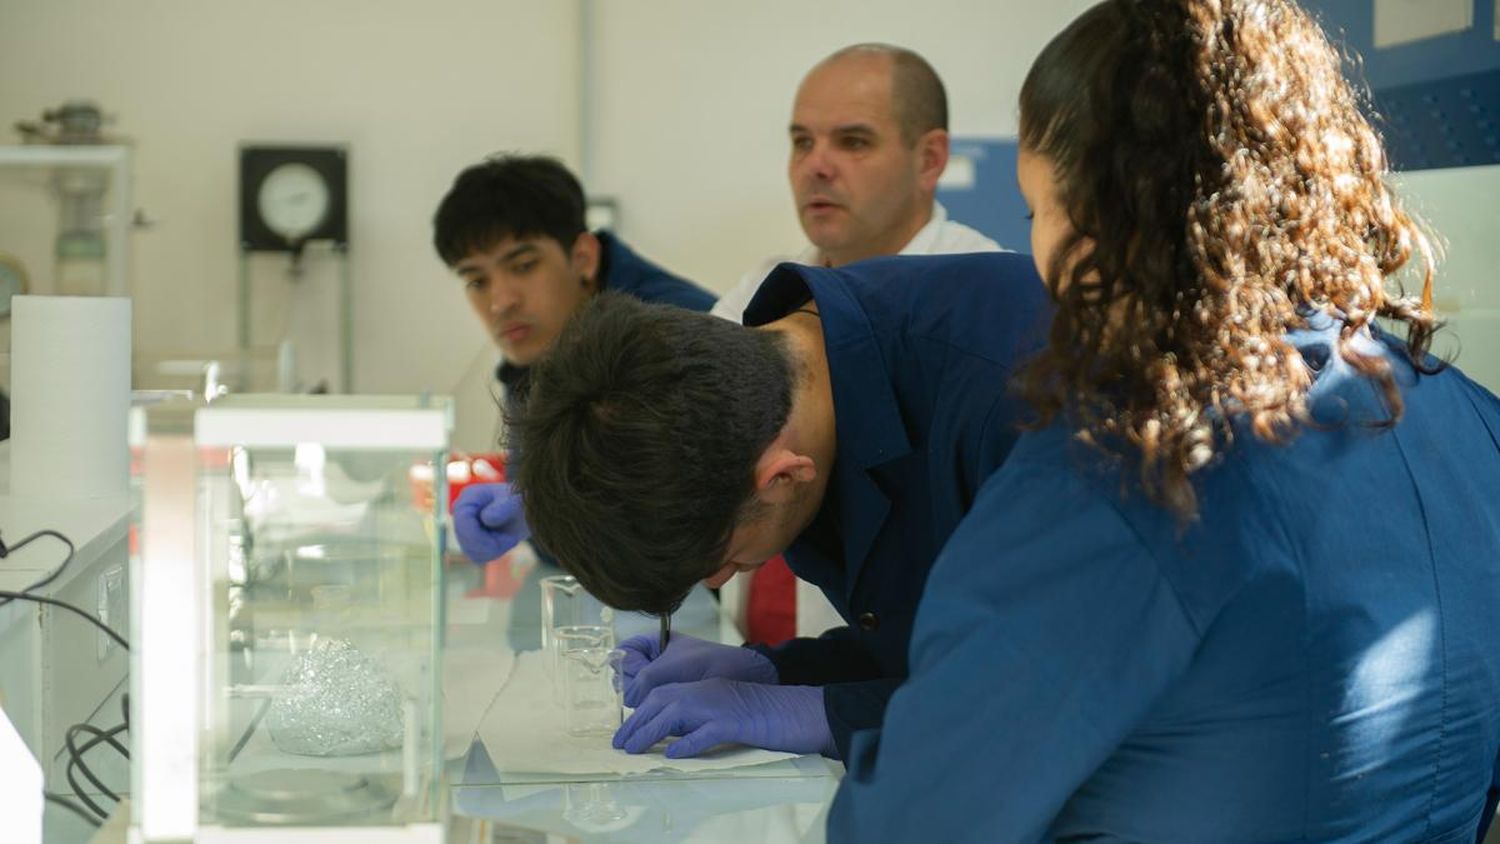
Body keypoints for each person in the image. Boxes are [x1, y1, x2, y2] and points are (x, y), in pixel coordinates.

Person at [826, 0, 1500, 840]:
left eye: (1037, 208)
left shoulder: (1126, 472)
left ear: (1102, 215)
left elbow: (912, 823)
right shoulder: (1470, 422)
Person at [510, 251, 1051, 760]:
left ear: (782, 476)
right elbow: (929, 647)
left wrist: (827, 714)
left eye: (718, 560)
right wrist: (778, 671)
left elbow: (1059, 686)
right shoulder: (781, 390)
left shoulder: (1022, 394)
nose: (720, 581)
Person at [711, 43, 1004, 645]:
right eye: (801, 142)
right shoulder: (760, 292)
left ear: (930, 159)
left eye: (853, 142)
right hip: (761, 662)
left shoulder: (982, 310)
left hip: (910, 686)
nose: (816, 166)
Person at [431, 154, 715, 563]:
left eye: (524, 265)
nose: (500, 302)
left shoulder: (674, 338)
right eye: (477, 280)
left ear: (583, 257)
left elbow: (669, 535)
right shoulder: (546, 338)